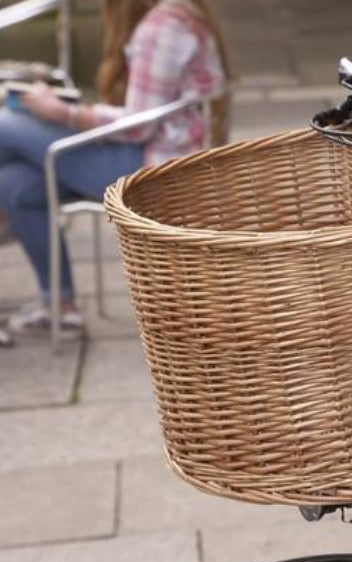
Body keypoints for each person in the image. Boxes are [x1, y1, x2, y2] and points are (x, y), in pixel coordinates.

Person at [0, 0, 229, 335]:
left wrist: (65, 114)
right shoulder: (176, 15)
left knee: (5, 123)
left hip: (157, 170)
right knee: (14, 184)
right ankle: (59, 307)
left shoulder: (163, 26)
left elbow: (138, 126)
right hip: (152, 156)